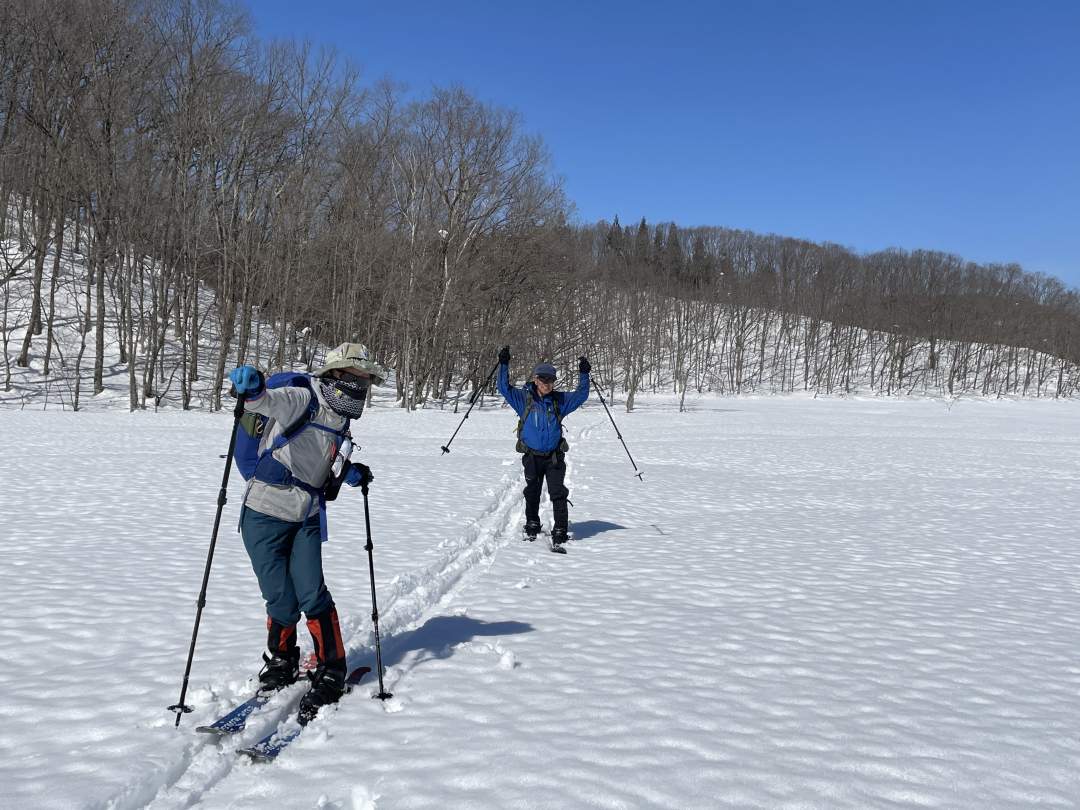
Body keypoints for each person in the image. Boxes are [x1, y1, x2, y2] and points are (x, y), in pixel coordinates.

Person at [226, 342, 387, 722]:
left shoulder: (341, 419)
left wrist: (350, 473)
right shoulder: (303, 398)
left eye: (366, 382)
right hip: (263, 514)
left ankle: (332, 667)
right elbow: (267, 402)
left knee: (312, 593)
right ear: (338, 376)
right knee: (280, 599)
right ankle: (282, 661)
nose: (362, 389)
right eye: (359, 379)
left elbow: (320, 459)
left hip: (307, 515)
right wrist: (252, 390)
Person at [496, 346, 590, 546]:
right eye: (544, 380)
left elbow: (581, 395)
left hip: (553, 456)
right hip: (531, 455)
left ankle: (560, 528)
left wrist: (583, 374)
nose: (548, 384)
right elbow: (503, 387)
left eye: (551, 380)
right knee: (532, 491)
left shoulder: (559, 401)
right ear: (536, 380)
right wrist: (504, 364)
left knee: (557, 492)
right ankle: (532, 523)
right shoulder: (523, 399)